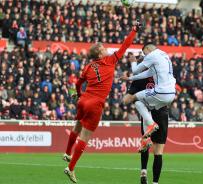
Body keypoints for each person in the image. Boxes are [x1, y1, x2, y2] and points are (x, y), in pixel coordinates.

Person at [62, 21, 140, 183]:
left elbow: (77, 84)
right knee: (85, 137)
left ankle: (67, 152)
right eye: (103, 48)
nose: (106, 49)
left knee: (77, 125)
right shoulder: (110, 61)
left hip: (83, 100)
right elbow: (125, 46)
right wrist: (134, 30)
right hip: (95, 103)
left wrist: (78, 95)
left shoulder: (89, 66)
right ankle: (70, 168)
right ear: (99, 55)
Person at [123, 55, 169, 184]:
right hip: (162, 111)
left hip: (148, 113)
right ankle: (155, 182)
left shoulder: (139, 79)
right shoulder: (162, 76)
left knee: (145, 142)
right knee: (158, 151)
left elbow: (128, 98)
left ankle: (143, 171)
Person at [121, 44, 176, 151]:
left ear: (147, 49)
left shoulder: (152, 55)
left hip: (161, 92)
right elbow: (147, 73)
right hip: (171, 94)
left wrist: (133, 61)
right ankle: (146, 140)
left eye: (144, 53)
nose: (144, 56)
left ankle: (151, 125)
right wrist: (129, 79)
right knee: (147, 109)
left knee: (135, 99)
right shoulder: (164, 55)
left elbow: (136, 70)